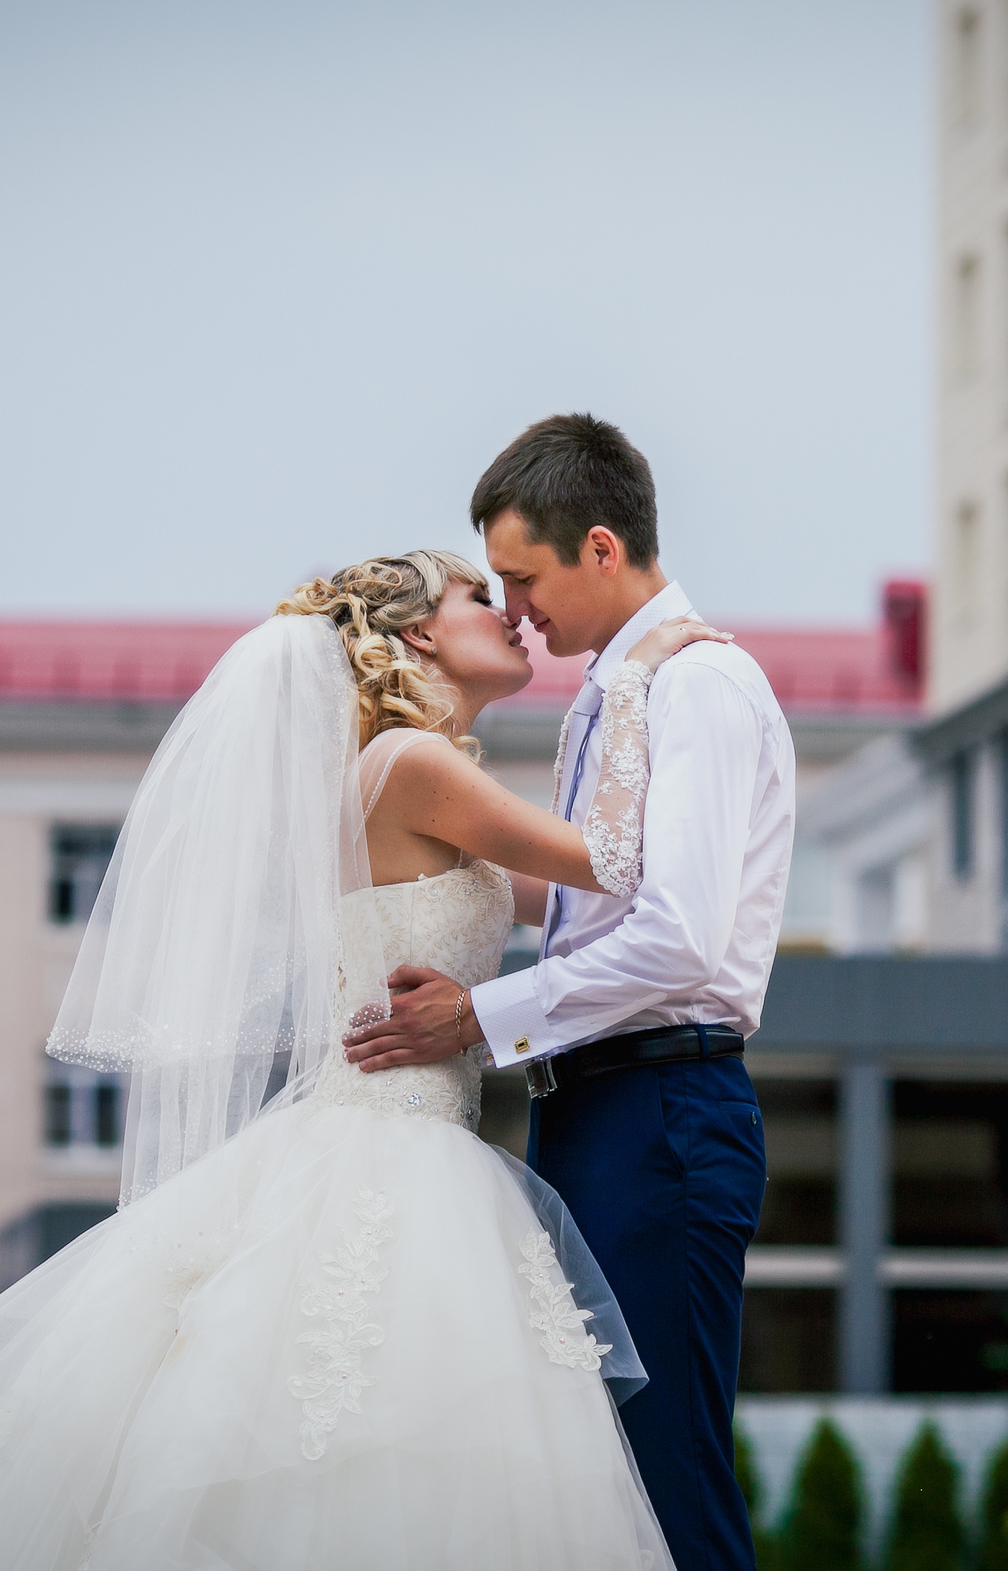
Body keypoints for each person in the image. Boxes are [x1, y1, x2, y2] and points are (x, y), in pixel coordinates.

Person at [0, 548, 722, 1570]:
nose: (507, 613)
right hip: (398, 1156)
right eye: (474, 595)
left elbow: (583, 903)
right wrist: (634, 681)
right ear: (415, 633)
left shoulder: (403, 774)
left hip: (386, 1136)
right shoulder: (414, 767)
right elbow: (614, 863)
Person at [343, 415, 794, 1571]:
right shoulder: (628, 690)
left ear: (600, 547)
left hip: (660, 1109)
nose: (515, 609)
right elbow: (600, 894)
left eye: (524, 578)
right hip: (597, 1108)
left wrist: (479, 1014)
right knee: (596, 1490)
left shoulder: (693, 685)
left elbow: (681, 935)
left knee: (661, 1476)